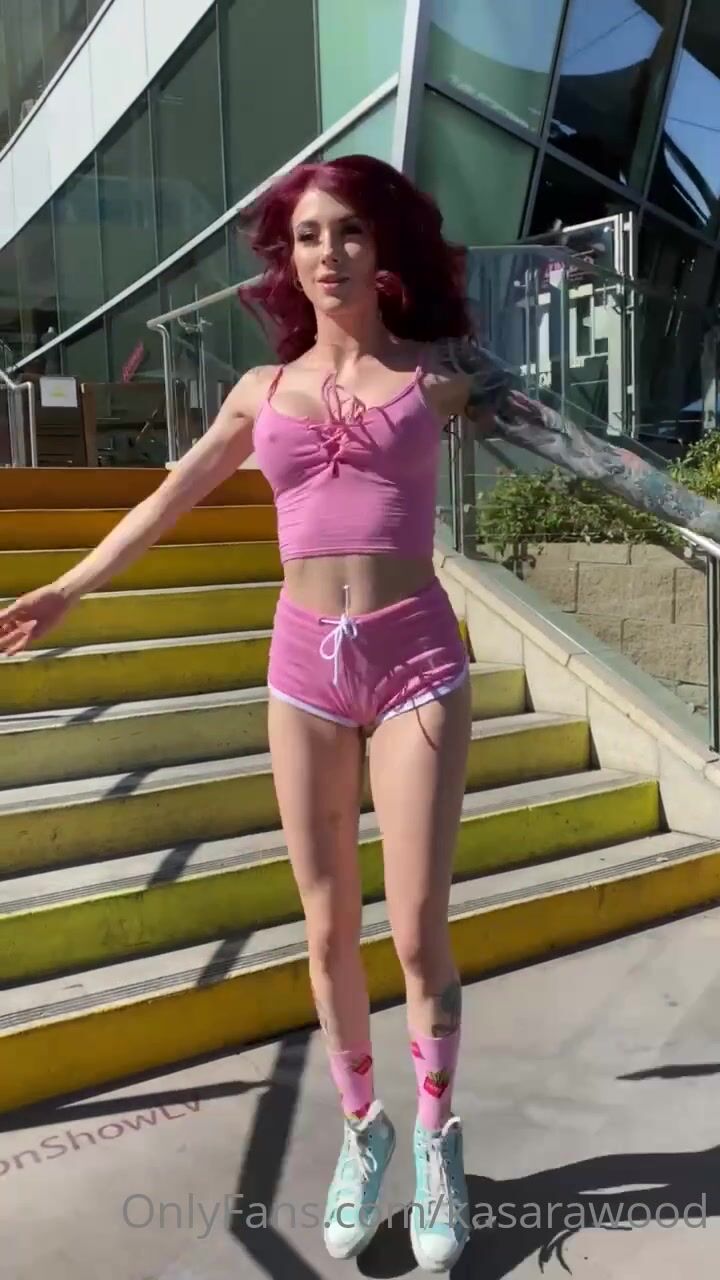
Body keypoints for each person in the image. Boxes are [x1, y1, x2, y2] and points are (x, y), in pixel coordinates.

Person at [2, 155, 719, 1272]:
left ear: (384, 248)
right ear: (287, 260)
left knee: (418, 925)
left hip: (414, 661)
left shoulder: (443, 370)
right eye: (307, 236)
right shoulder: (259, 390)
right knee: (327, 925)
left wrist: (697, 515)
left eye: (348, 231)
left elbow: (587, 454)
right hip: (304, 669)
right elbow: (166, 498)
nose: (328, 252)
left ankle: (434, 1135)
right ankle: (362, 1127)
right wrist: (69, 587)